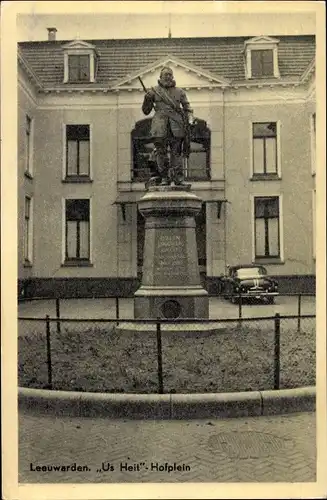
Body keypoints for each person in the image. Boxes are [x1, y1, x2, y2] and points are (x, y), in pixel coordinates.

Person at [141, 66, 194, 186]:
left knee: (177, 153)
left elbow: (187, 108)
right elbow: (146, 111)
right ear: (160, 77)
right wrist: (147, 99)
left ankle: (178, 179)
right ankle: (164, 177)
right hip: (160, 126)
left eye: (170, 74)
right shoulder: (153, 91)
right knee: (161, 153)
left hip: (177, 125)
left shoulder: (180, 92)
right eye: (166, 75)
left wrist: (190, 121)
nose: (168, 77)